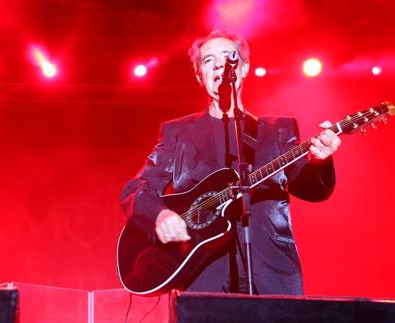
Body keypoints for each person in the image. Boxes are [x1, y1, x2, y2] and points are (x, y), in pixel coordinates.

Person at [120, 30, 341, 295]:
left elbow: (312, 189)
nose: (218, 65)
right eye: (207, 60)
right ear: (199, 75)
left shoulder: (276, 131)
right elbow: (136, 187)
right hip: (203, 274)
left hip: (271, 272)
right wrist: (160, 215)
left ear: (244, 68)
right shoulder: (177, 134)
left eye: (228, 57)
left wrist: (320, 160)